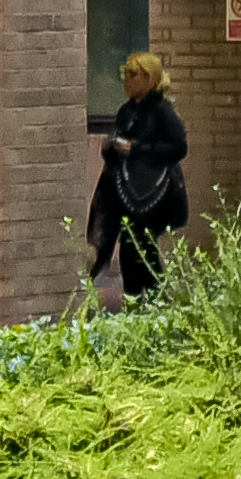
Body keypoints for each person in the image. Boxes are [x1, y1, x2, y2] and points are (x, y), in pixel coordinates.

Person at [89, 51, 188, 308]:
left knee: (140, 243)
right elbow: (117, 141)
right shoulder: (126, 110)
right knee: (129, 242)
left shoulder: (162, 111)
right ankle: (137, 301)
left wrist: (138, 148)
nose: (126, 80)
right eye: (125, 75)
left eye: (132, 75)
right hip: (125, 190)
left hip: (154, 193)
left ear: (148, 77)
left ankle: (153, 298)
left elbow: (178, 148)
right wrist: (111, 147)